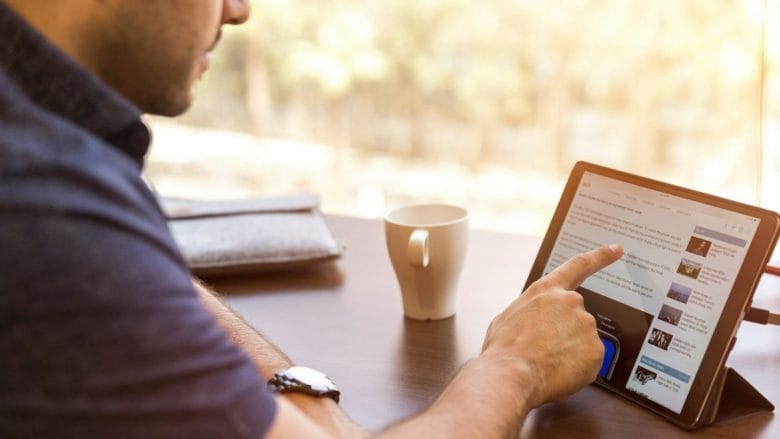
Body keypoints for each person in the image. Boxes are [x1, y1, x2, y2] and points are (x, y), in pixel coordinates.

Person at [0, 1, 624, 437]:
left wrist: (303, 401)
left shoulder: (51, 162)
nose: (239, 10)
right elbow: (91, 262)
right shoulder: (40, 201)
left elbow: (130, 276)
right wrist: (516, 365)